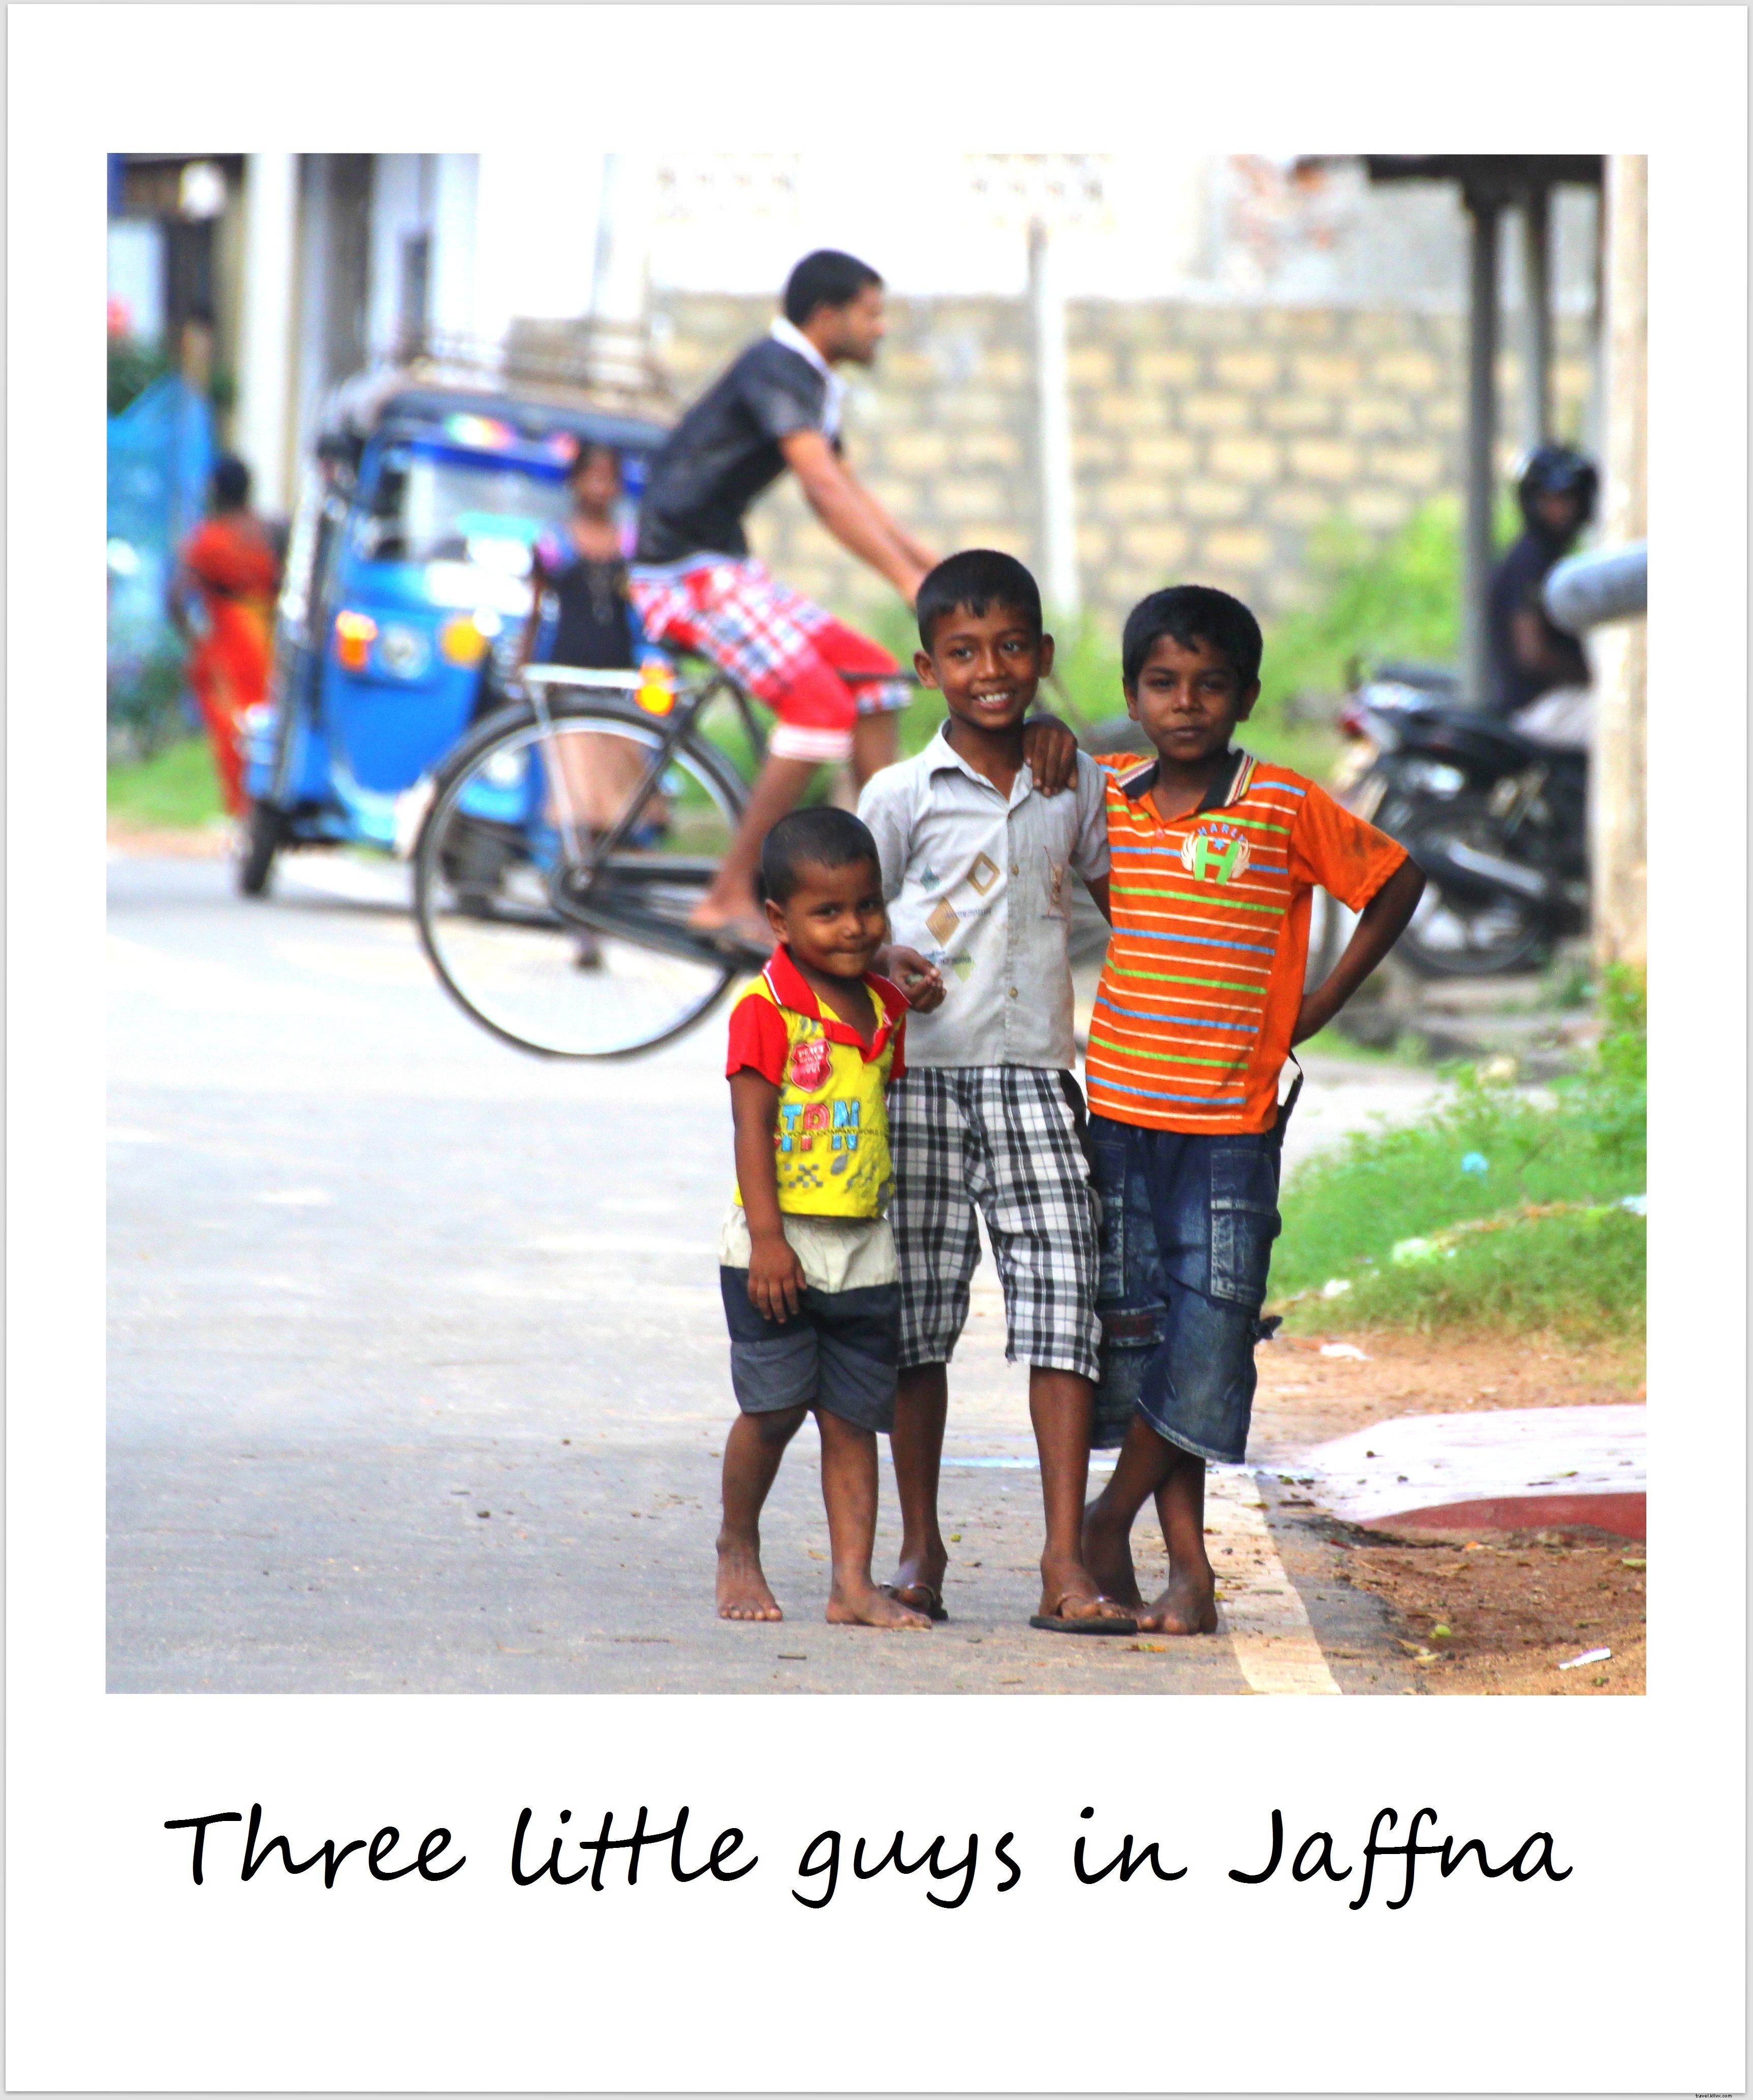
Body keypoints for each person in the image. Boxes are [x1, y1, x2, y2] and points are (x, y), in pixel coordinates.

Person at [1078, 585, 1425, 1635]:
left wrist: (1318, 1004)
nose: (1186, 703)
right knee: (1146, 1341)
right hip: (1121, 1115)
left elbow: (1397, 879)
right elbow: (1086, 868)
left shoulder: (1279, 804)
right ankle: (1189, 1573)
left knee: (1213, 1334)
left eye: (1210, 684)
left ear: (1246, 696)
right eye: (1163, 684)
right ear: (1133, 695)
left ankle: (1111, 1518)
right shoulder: (1104, 795)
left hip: (1232, 1124)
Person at [857, 549, 1136, 1635]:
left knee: (1064, 1301)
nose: (992, 670)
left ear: (1043, 657)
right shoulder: (898, 795)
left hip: (1034, 1079)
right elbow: (828, 909)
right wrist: (878, 957)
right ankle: (918, 1543)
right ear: (928, 666)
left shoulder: (1078, 783)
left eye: (1013, 647)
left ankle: (1063, 1557)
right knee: (918, 1323)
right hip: (919, 1082)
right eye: (965, 652)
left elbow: (1132, 893)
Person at [627, 249, 937, 953]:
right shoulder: (776, 368)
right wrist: (905, 580)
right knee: (821, 707)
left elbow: (848, 490)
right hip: (681, 572)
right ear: (827, 318)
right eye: (871, 314)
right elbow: (823, 492)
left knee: (874, 678)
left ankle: (877, 885)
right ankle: (727, 893)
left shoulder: (812, 381)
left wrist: (933, 569)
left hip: (725, 566)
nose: (881, 329)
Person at [715, 807, 931, 1630]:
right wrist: (768, 1240)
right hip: (776, 1246)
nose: (854, 927)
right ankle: (738, 1542)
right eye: (828, 912)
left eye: (868, 907)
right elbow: (751, 1128)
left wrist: (899, 971)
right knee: (771, 1411)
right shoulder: (764, 1008)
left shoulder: (884, 1006)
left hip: (863, 1246)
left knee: (853, 1418)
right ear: (779, 918)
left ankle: (853, 1583)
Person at [169, 455, 281, 818]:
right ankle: (264, 805)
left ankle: (244, 810)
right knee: (267, 725)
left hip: (227, 647)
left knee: (232, 729)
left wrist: (193, 639)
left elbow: (176, 595)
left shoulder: (209, 538)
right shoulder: (268, 532)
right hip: (268, 639)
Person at [1487, 444, 1597, 721]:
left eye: (1567, 500)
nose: (1559, 511)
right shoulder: (1532, 562)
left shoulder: (1543, 557)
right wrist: (1592, 676)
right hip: (1542, 707)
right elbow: (1533, 653)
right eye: (1549, 501)